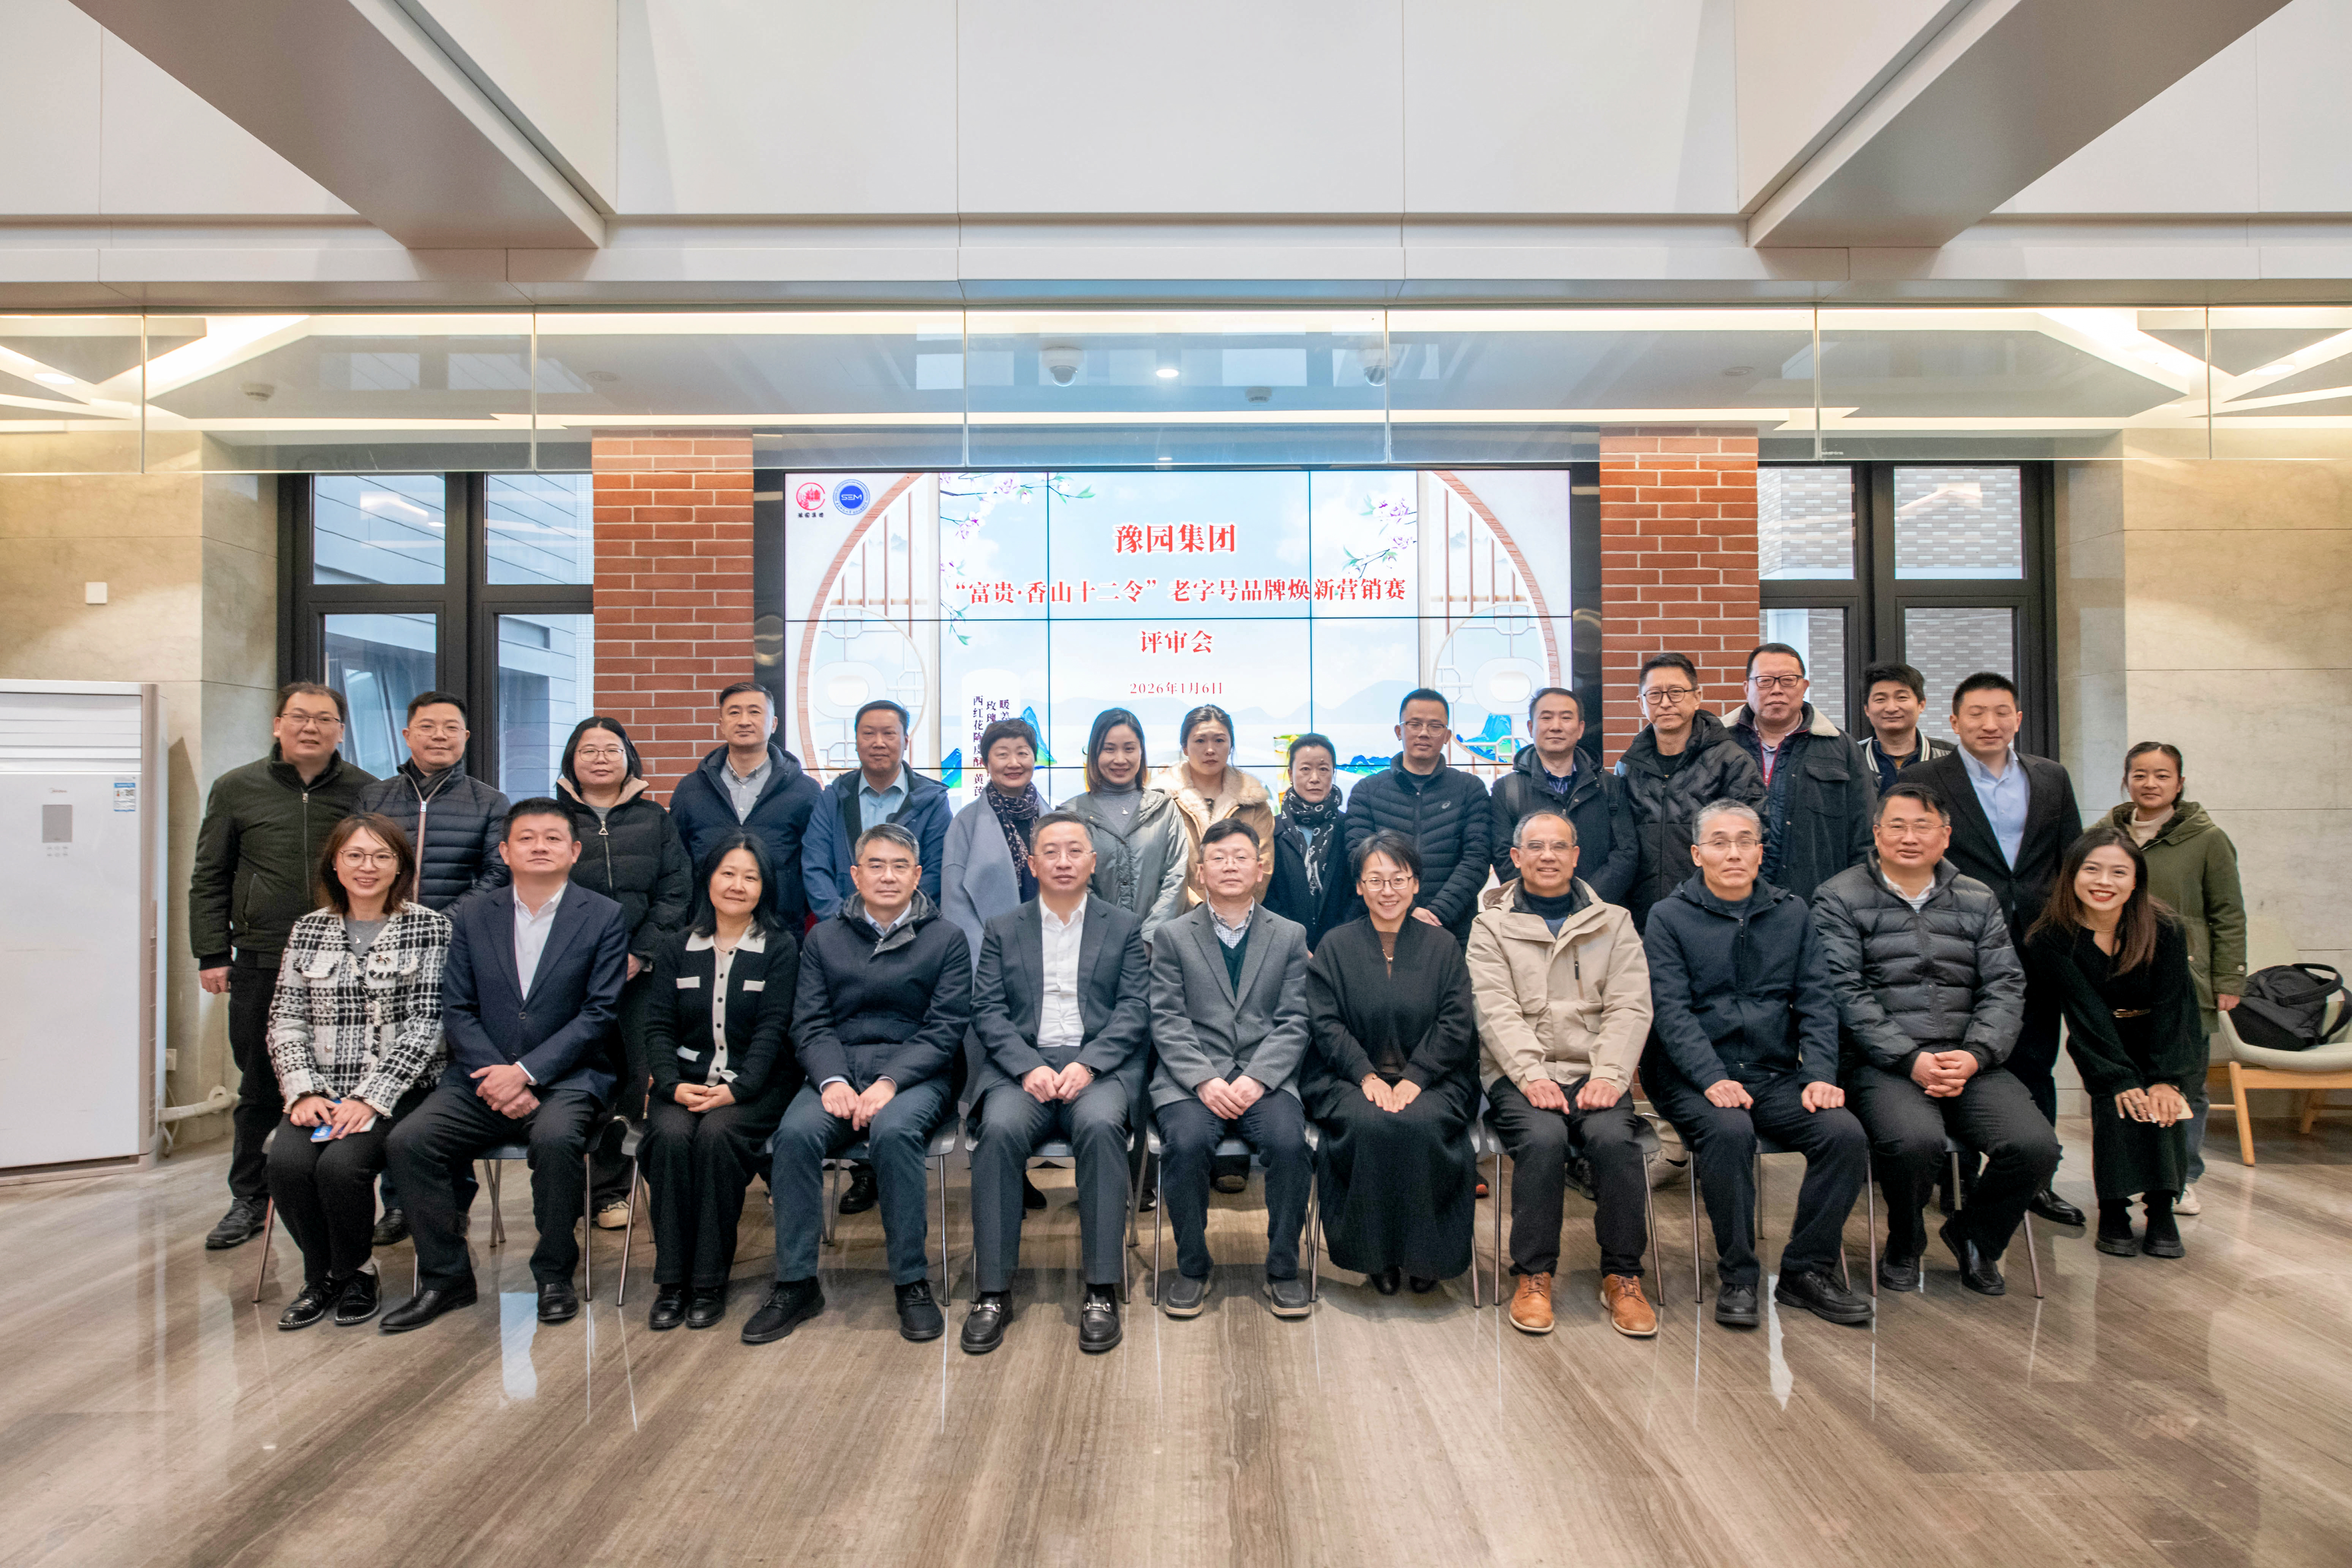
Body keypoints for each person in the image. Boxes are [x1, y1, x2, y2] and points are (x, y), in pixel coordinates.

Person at [379, 800, 631, 1331]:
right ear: (505, 851)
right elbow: (458, 1008)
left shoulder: (604, 915)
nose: (540, 847)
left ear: (575, 851)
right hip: (480, 1076)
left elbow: (600, 1013)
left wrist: (526, 1073)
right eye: (527, 838)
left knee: (558, 1141)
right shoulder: (474, 915)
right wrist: (499, 1073)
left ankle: (554, 1274)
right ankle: (446, 1278)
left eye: (553, 838)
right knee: (409, 1141)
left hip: (569, 1077)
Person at [1812, 784, 2059, 1295]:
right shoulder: (1839, 896)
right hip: (1884, 1064)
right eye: (1897, 826)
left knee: (2036, 1147)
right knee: (1914, 1143)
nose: (1909, 837)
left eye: (1922, 826)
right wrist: (1910, 1059)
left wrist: (1976, 1054)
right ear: (1877, 833)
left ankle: (1975, 1236)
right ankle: (1906, 1240)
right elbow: (1843, 991)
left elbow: (2005, 985)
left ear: (1945, 836)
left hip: (1971, 1060)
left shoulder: (1977, 897)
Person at [1643, 800, 1872, 1328]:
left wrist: (1820, 1075)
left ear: (1760, 852)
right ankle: (1739, 1276)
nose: (1733, 853)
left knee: (1843, 1134)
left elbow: (1818, 1001)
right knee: (1730, 1132)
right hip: (1692, 1077)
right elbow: (1671, 1012)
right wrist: (1712, 1078)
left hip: (1773, 1073)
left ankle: (1806, 1270)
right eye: (1719, 843)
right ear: (1697, 854)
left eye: (1744, 841)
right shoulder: (1668, 917)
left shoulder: (1791, 913)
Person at [746, 823, 970, 1346]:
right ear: (855, 874)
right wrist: (831, 1079)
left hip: (916, 1075)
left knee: (894, 1133)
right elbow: (810, 1022)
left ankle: (911, 1282)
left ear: (917, 875)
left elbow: (944, 1029)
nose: (888, 876)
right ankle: (796, 1283)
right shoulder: (824, 938)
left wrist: (891, 1081)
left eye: (900, 867)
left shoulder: (946, 939)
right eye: (876, 865)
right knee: (795, 1136)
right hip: (838, 1071)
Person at [189, 681, 378, 1250]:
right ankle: (250, 1197)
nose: (310, 728)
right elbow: (210, 874)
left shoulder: (365, 790)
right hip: (263, 956)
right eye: (299, 717)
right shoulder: (236, 787)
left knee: (359, 1075)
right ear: (278, 724)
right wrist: (212, 953)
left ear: (341, 730)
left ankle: (362, 1193)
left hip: (347, 957)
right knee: (260, 1083)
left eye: (324, 719)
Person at [1897, 671, 2086, 1228]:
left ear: (2018, 719)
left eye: (2002, 712)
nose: (1990, 723)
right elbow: (1911, 854)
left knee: (2033, 1057)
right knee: (1959, 1054)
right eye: (1976, 714)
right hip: (1954, 939)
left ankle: (2035, 1180)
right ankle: (1958, 1178)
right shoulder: (1925, 778)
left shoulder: (2050, 777)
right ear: (1954, 722)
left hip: (2038, 938)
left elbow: (2071, 858)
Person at [960, 813, 1151, 1356]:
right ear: (1032, 863)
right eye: (1051, 851)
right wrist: (1027, 1066)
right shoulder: (1003, 927)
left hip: (1097, 1070)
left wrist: (1089, 1065)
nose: (1063, 862)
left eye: (1074, 851)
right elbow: (988, 1009)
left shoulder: (1124, 926)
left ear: (1094, 862)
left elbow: (1135, 1009)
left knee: (1100, 1127)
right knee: (998, 1131)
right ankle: (993, 1291)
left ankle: (1101, 1288)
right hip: (1023, 1070)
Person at [1467, 809, 1657, 1338]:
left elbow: (1630, 1006)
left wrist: (1611, 1075)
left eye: (1558, 847)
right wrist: (1531, 1075)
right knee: (1543, 1140)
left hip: (1596, 1071)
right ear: (1515, 857)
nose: (1547, 856)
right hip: (1519, 1074)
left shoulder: (1614, 922)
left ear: (1576, 856)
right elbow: (1493, 1009)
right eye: (1535, 847)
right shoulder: (1489, 927)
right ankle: (1534, 1275)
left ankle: (1622, 1275)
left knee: (1614, 1142)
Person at [262, 814, 450, 1330]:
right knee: (287, 1166)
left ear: (400, 867)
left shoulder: (429, 927)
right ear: (335, 864)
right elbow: (286, 1019)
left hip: (400, 1091)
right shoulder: (309, 929)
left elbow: (429, 1024)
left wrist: (370, 1098)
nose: (368, 867)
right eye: (355, 856)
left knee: (342, 1168)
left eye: (382, 856)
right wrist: (302, 1092)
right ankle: (323, 1277)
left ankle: (354, 1273)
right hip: (322, 1091)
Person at [350, 689, 508, 1249]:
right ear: (407, 734)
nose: (439, 736)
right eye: (428, 726)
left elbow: (495, 876)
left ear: (466, 737)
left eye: (450, 728)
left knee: (448, 1079)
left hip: (456, 955)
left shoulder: (490, 802)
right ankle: (399, 1202)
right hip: (382, 957)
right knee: (391, 1069)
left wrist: (437, 925)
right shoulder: (375, 797)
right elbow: (357, 865)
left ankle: (451, 1201)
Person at [1148, 818, 1315, 1320]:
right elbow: (1167, 1018)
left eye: (1240, 857)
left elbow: (1295, 1020)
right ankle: (1192, 1267)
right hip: (1192, 1079)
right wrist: (1204, 1079)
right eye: (1217, 858)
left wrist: (1258, 1077)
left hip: (1266, 1078)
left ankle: (1283, 1268)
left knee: (1290, 1145)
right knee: (1186, 1144)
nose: (1229, 866)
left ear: (1260, 870)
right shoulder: (1173, 936)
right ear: (1200, 873)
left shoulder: (1290, 935)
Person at [1301, 830, 1478, 1298]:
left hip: (1436, 1078)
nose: (1388, 890)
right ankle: (1375, 1256)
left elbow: (1456, 1022)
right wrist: (1365, 1075)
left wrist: (1417, 1078)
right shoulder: (1335, 946)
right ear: (1360, 887)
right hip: (1346, 1077)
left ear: (1415, 884)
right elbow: (1325, 1023)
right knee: (1371, 1124)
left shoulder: (1443, 946)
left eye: (1398, 879)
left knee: (1422, 1125)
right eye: (1375, 880)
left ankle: (1427, 1257)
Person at [637, 831, 801, 1332]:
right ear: (708, 879)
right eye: (728, 873)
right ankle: (672, 1281)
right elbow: (657, 1026)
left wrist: (739, 1089)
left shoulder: (779, 947)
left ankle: (708, 1280)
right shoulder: (676, 946)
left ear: (765, 888)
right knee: (669, 1137)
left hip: (755, 1088)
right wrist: (670, 1085)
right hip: (684, 1084)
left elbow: (774, 1029)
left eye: (751, 877)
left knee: (717, 1136)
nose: (737, 885)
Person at [2024, 828, 2203, 1261]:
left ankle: (2161, 1209)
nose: (2104, 882)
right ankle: (2113, 1209)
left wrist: (2166, 1079)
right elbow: (2086, 1014)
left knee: (2163, 1108)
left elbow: (2175, 1006)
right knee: (2118, 1106)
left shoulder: (2165, 928)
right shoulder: (2049, 937)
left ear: (2136, 880)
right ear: (2072, 875)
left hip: (2165, 1035)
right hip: (2100, 1039)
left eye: (2119, 872)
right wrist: (2120, 1078)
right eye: (2093, 870)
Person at [555, 717, 693, 1231]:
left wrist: (639, 953)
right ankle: (573, 1190)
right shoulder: (553, 818)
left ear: (628, 759)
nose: (600, 758)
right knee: (579, 1075)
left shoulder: (655, 819)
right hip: (570, 975)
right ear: (572, 759)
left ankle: (620, 1189)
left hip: (642, 973)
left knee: (637, 1078)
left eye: (611, 749)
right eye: (588, 749)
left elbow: (677, 890)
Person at [2100, 742, 2244, 1214]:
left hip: (2188, 980)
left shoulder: (2207, 839)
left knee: (2186, 1082)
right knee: (2130, 1079)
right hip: (2121, 979)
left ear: (2180, 784)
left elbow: (2228, 913)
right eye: (2140, 774)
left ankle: (2183, 1177)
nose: (2151, 784)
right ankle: (2135, 1174)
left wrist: (2229, 979)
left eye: (2162, 776)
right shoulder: (2104, 835)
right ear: (2126, 780)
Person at [1616, 653, 1767, 932]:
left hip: (1713, 914)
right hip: (1642, 917)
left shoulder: (1732, 762)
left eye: (1676, 692)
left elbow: (1754, 839)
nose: (1665, 703)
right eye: (1655, 695)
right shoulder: (1628, 767)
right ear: (1641, 703)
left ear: (1697, 697)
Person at [666, 682, 823, 931]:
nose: (744, 721)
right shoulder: (691, 789)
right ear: (722, 724)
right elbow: (676, 862)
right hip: (706, 928)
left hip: (780, 929)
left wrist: (790, 906)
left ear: (774, 724)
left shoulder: (805, 791)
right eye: (734, 712)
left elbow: (816, 862)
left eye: (755, 712)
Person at [1342, 689, 1492, 947]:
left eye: (1435, 726)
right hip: (1381, 928)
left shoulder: (1470, 789)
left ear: (1447, 736)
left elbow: (1477, 859)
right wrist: (1407, 910)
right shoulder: (1367, 791)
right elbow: (1358, 858)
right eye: (1415, 724)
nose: (1424, 733)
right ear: (1399, 731)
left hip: (1451, 930)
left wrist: (1436, 914)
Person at [1726, 643, 1875, 903]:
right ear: (1747, 688)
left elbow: (1865, 836)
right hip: (1731, 900)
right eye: (1765, 681)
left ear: (1804, 687)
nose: (1777, 689)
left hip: (1817, 902)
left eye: (1788, 680)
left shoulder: (1841, 748)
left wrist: (1849, 902)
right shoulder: (1720, 745)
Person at [800, 698, 952, 922]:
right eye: (869, 734)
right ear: (856, 742)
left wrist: (897, 923)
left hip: (911, 931)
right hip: (842, 928)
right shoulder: (834, 798)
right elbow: (816, 867)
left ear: (906, 741)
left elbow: (936, 871)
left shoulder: (932, 801)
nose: (879, 743)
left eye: (889, 734)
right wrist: (843, 923)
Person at [1487, 686, 1636, 907]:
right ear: (1531, 727)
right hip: (1533, 914)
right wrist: (1545, 904)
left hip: (1599, 912)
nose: (1556, 727)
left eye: (1566, 718)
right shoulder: (1507, 790)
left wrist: (1587, 902)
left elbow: (1625, 853)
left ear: (1581, 728)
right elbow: (1505, 857)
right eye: (1546, 718)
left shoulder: (1609, 786)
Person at [1060, 708, 1189, 943]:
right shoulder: (1071, 814)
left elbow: (1176, 879)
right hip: (1092, 947)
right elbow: (1072, 885)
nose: (1120, 759)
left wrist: (1148, 941)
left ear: (1141, 752)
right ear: (1094, 753)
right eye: (1109, 749)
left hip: (1157, 951)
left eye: (1129, 749)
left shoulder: (1165, 809)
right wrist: (1113, 941)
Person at [944, 716, 1053, 964]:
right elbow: (956, 905)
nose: (1014, 763)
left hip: (1052, 950)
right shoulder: (965, 823)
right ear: (986, 763)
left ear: (1034, 759)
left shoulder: (1055, 821)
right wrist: (987, 960)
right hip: (991, 956)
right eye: (1002, 755)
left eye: (1023, 753)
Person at [1154, 702, 1277, 905]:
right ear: (1185, 748)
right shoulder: (1162, 801)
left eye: (1219, 740)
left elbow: (1262, 868)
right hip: (1179, 917)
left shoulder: (1254, 802)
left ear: (1231, 745)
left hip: (1240, 916)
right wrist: (1199, 909)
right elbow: (1159, 869)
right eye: (1200, 741)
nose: (1210, 750)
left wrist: (1231, 911)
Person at [1265, 733, 1358, 950]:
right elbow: (1266, 894)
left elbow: (1358, 891)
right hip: (1283, 946)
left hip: (1342, 946)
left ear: (1334, 773)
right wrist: (1293, 941)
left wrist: (1337, 941)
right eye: (1305, 769)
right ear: (1291, 774)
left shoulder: (1350, 829)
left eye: (1324, 769)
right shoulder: (1271, 830)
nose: (1315, 778)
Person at [1856, 661, 1954, 792]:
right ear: (1867, 709)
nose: (1891, 708)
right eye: (1880, 699)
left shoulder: (1951, 757)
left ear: (1922, 705)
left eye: (1902, 697)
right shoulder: (1851, 757)